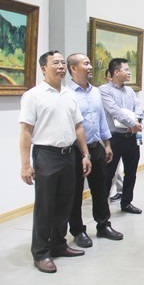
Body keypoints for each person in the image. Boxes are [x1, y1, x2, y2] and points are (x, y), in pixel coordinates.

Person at [19, 50, 92, 274]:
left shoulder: (69, 94)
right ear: (44, 68)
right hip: (46, 155)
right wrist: (25, 164)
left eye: (63, 63)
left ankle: (59, 244)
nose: (61, 66)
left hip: (69, 154)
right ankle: (41, 252)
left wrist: (85, 154)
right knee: (45, 206)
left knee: (65, 203)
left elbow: (78, 126)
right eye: (56, 63)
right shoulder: (33, 95)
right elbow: (26, 131)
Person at [66, 53, 124, 248]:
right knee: (75, 193)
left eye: (90, 63)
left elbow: (101, 120)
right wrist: (83, 154)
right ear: (73, 69)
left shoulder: (96, 92)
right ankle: (78, 231)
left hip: (96, 147)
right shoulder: (67, 94)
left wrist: (107, 144)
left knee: (100, 189)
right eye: (86, 64)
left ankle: (103, 224)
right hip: (75, 151)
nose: (90, 67)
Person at [99, 58, 144, 214]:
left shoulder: (130, 91)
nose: (129, 72)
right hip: (114, 138)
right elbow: (114, 111)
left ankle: (126, 202)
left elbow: (138, 107)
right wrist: (132, 124)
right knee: (109, 174)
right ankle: (102, 207)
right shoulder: (104, 90)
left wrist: (137, 122)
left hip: (131, 137)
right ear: (116, 72)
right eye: (126, 69)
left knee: (131, 171)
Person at [104, 68, 124, 201]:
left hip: (124, 134)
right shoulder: (103, 92)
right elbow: (114, 111)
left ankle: (121, 192)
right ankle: (106, 197)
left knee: (117, 168)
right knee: (111, 169)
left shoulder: (127, 92)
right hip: (109, 135)